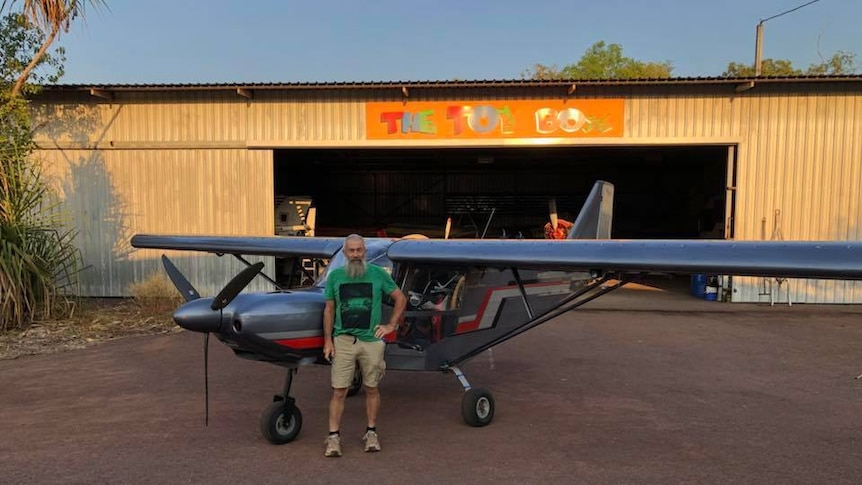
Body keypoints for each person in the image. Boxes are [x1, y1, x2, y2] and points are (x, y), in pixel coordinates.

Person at [322, 234, 407, 457]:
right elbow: (329, 309)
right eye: (351, 251)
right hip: (344, 340)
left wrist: (391, 325)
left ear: (365, 252)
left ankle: (371, 432)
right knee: (339, 390)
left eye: (359, 250)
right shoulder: (335, 277)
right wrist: (328, 340)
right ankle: (333, 438)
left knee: (372, 388)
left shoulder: (378, 274)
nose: (356, 255)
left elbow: (400, 298)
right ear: (344, 254)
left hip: (371, 341)